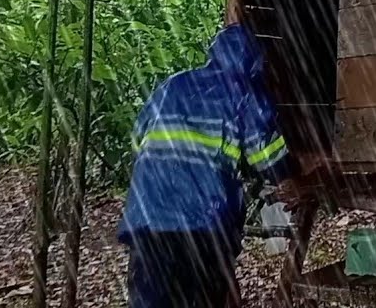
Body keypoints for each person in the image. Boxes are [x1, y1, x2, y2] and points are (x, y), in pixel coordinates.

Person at [119, 23, 295, 308]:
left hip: (149, 218)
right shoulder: (244, 93)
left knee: (150, 300)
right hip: (201, 222)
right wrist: (292, 174)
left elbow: (138, 140)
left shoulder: (172, 85)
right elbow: (268, 158)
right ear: (253, 64)